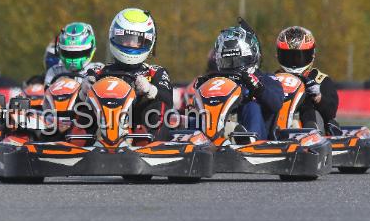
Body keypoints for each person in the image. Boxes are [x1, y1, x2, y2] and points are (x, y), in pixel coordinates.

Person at [84, 8, 173, 139]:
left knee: (159, 105)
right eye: (126, 39)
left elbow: (168, 100)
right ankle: (78, 141)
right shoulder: (98, 71)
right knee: (85, 104)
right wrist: (82, 91)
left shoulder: (155, 72)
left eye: (136, 41)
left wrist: (150, 90)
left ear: (148, 41)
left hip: (139, 132)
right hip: (100, 130)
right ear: (115, 37)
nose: (130, 44)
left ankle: (155, 143)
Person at [195, 25, 283, 140]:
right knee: (195, 112)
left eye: (238, 61)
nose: (233, 66)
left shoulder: (266, 78)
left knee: (251, 106)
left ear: (252, 55)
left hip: (261, 138)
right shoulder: (217, 80)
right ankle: (196, 140)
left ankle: (248, 139)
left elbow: (276, 104)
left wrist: (258, 89)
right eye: (228, 62)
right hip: (219, 132)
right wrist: (202, 90)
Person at [276, 25, 339, 131]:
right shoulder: (274, 78)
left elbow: (331, 113)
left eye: (299, 57)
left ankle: (309, 130)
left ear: (311, 54)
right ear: (279, 55)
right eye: (289, 57)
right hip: (278, 128)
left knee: (306, 102)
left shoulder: (321, 80)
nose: (294, 62)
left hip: (313, 131)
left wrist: (318, 97)